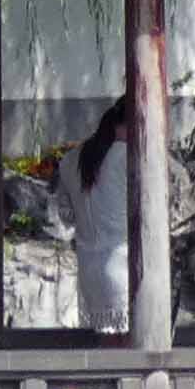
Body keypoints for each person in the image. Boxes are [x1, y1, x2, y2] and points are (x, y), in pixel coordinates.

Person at [68, 94, 135, 336]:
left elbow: (63, 213)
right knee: (130, 347)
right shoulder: (128, 156)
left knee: (98, 346)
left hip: (88, 269)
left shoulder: (71, 158)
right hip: (121, 264)